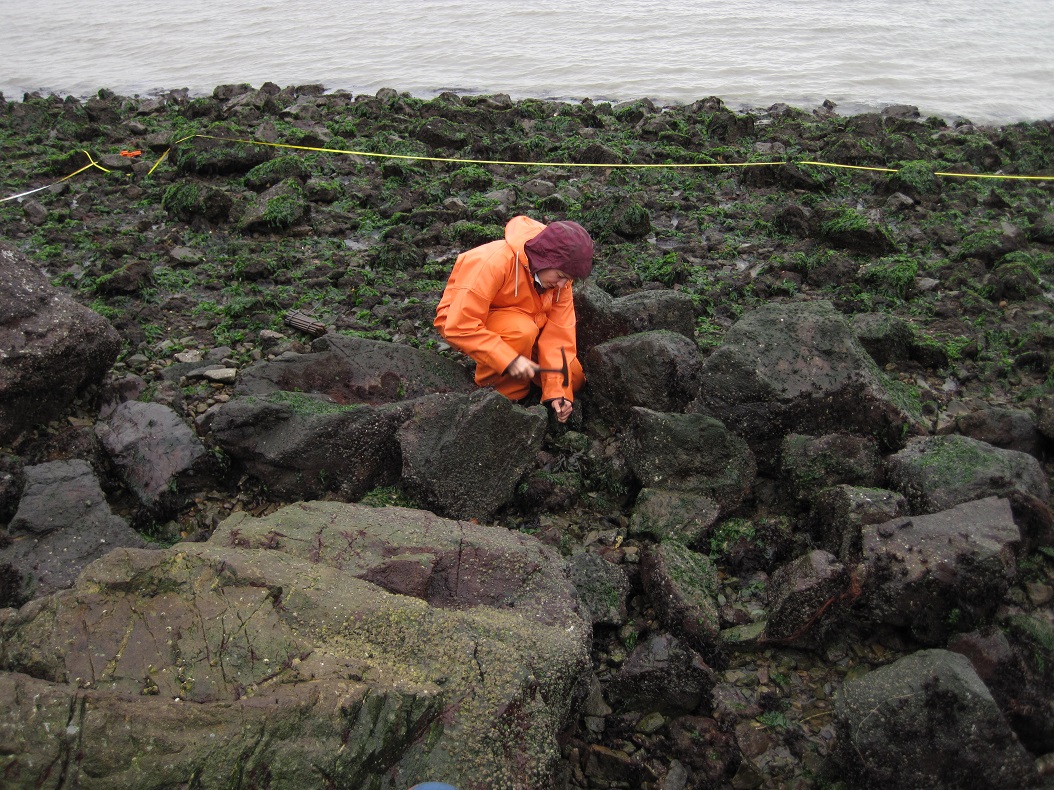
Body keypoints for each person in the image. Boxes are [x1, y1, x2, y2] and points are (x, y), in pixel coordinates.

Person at [434, 215, 592, 423]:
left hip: (531, 323)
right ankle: (505, 399)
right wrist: (508, 360)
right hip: (467, 320)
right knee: (520, 331)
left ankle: (540, 387)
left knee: (575, 379)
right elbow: (459, 326)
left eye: (569, 280)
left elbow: (560, 336)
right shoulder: (492, 261)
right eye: (561, 276)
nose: (563, 285)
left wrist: (558, 392)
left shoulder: (560, 280)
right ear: (547, 259)